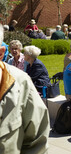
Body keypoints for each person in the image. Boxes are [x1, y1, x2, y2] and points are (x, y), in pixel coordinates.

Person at [0, 25, 50, 153]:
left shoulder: (23, 77)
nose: (15, 52)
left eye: (17, 49)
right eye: (12, 49)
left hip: (38, 87)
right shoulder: (12, 62)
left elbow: (37, 141)